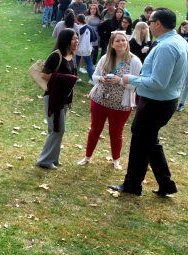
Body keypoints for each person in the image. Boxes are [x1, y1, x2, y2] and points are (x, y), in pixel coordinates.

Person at [109, 8, 188, 197]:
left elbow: (158, 83)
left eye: (151, 21)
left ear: (158, 24)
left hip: (156, 103)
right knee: (149, 141)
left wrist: (131, 79)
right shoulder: (177, 41)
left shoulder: (166, 47)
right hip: (163, 101)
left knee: (140, 142)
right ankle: (166, 184)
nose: (149, 25)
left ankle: (132, 185)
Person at [79, 31, 142, 169]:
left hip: (120, 105)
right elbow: (94, 76)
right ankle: (87, 157)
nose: (121, 43)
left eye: (124, 40)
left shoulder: (134, 61)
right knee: (95, 129)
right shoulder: (105, 58)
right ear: (112, 44)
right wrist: (100, 78)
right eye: (118, 41)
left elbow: (137, 84)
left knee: (116, 132)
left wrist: (120, 81)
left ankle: (116, 160)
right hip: (99, 100)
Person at [36, 28, 78, 169]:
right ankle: (45, 161)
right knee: (57, 129)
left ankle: (53, 158)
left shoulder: (72, 55)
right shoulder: (56, 56)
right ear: (65, 40)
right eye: (73, 39)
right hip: (54, 98)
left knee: (55, 129)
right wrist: (65, 78)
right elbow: (44, 75)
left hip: (64, 99)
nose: (76, 41)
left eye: (77, 38)